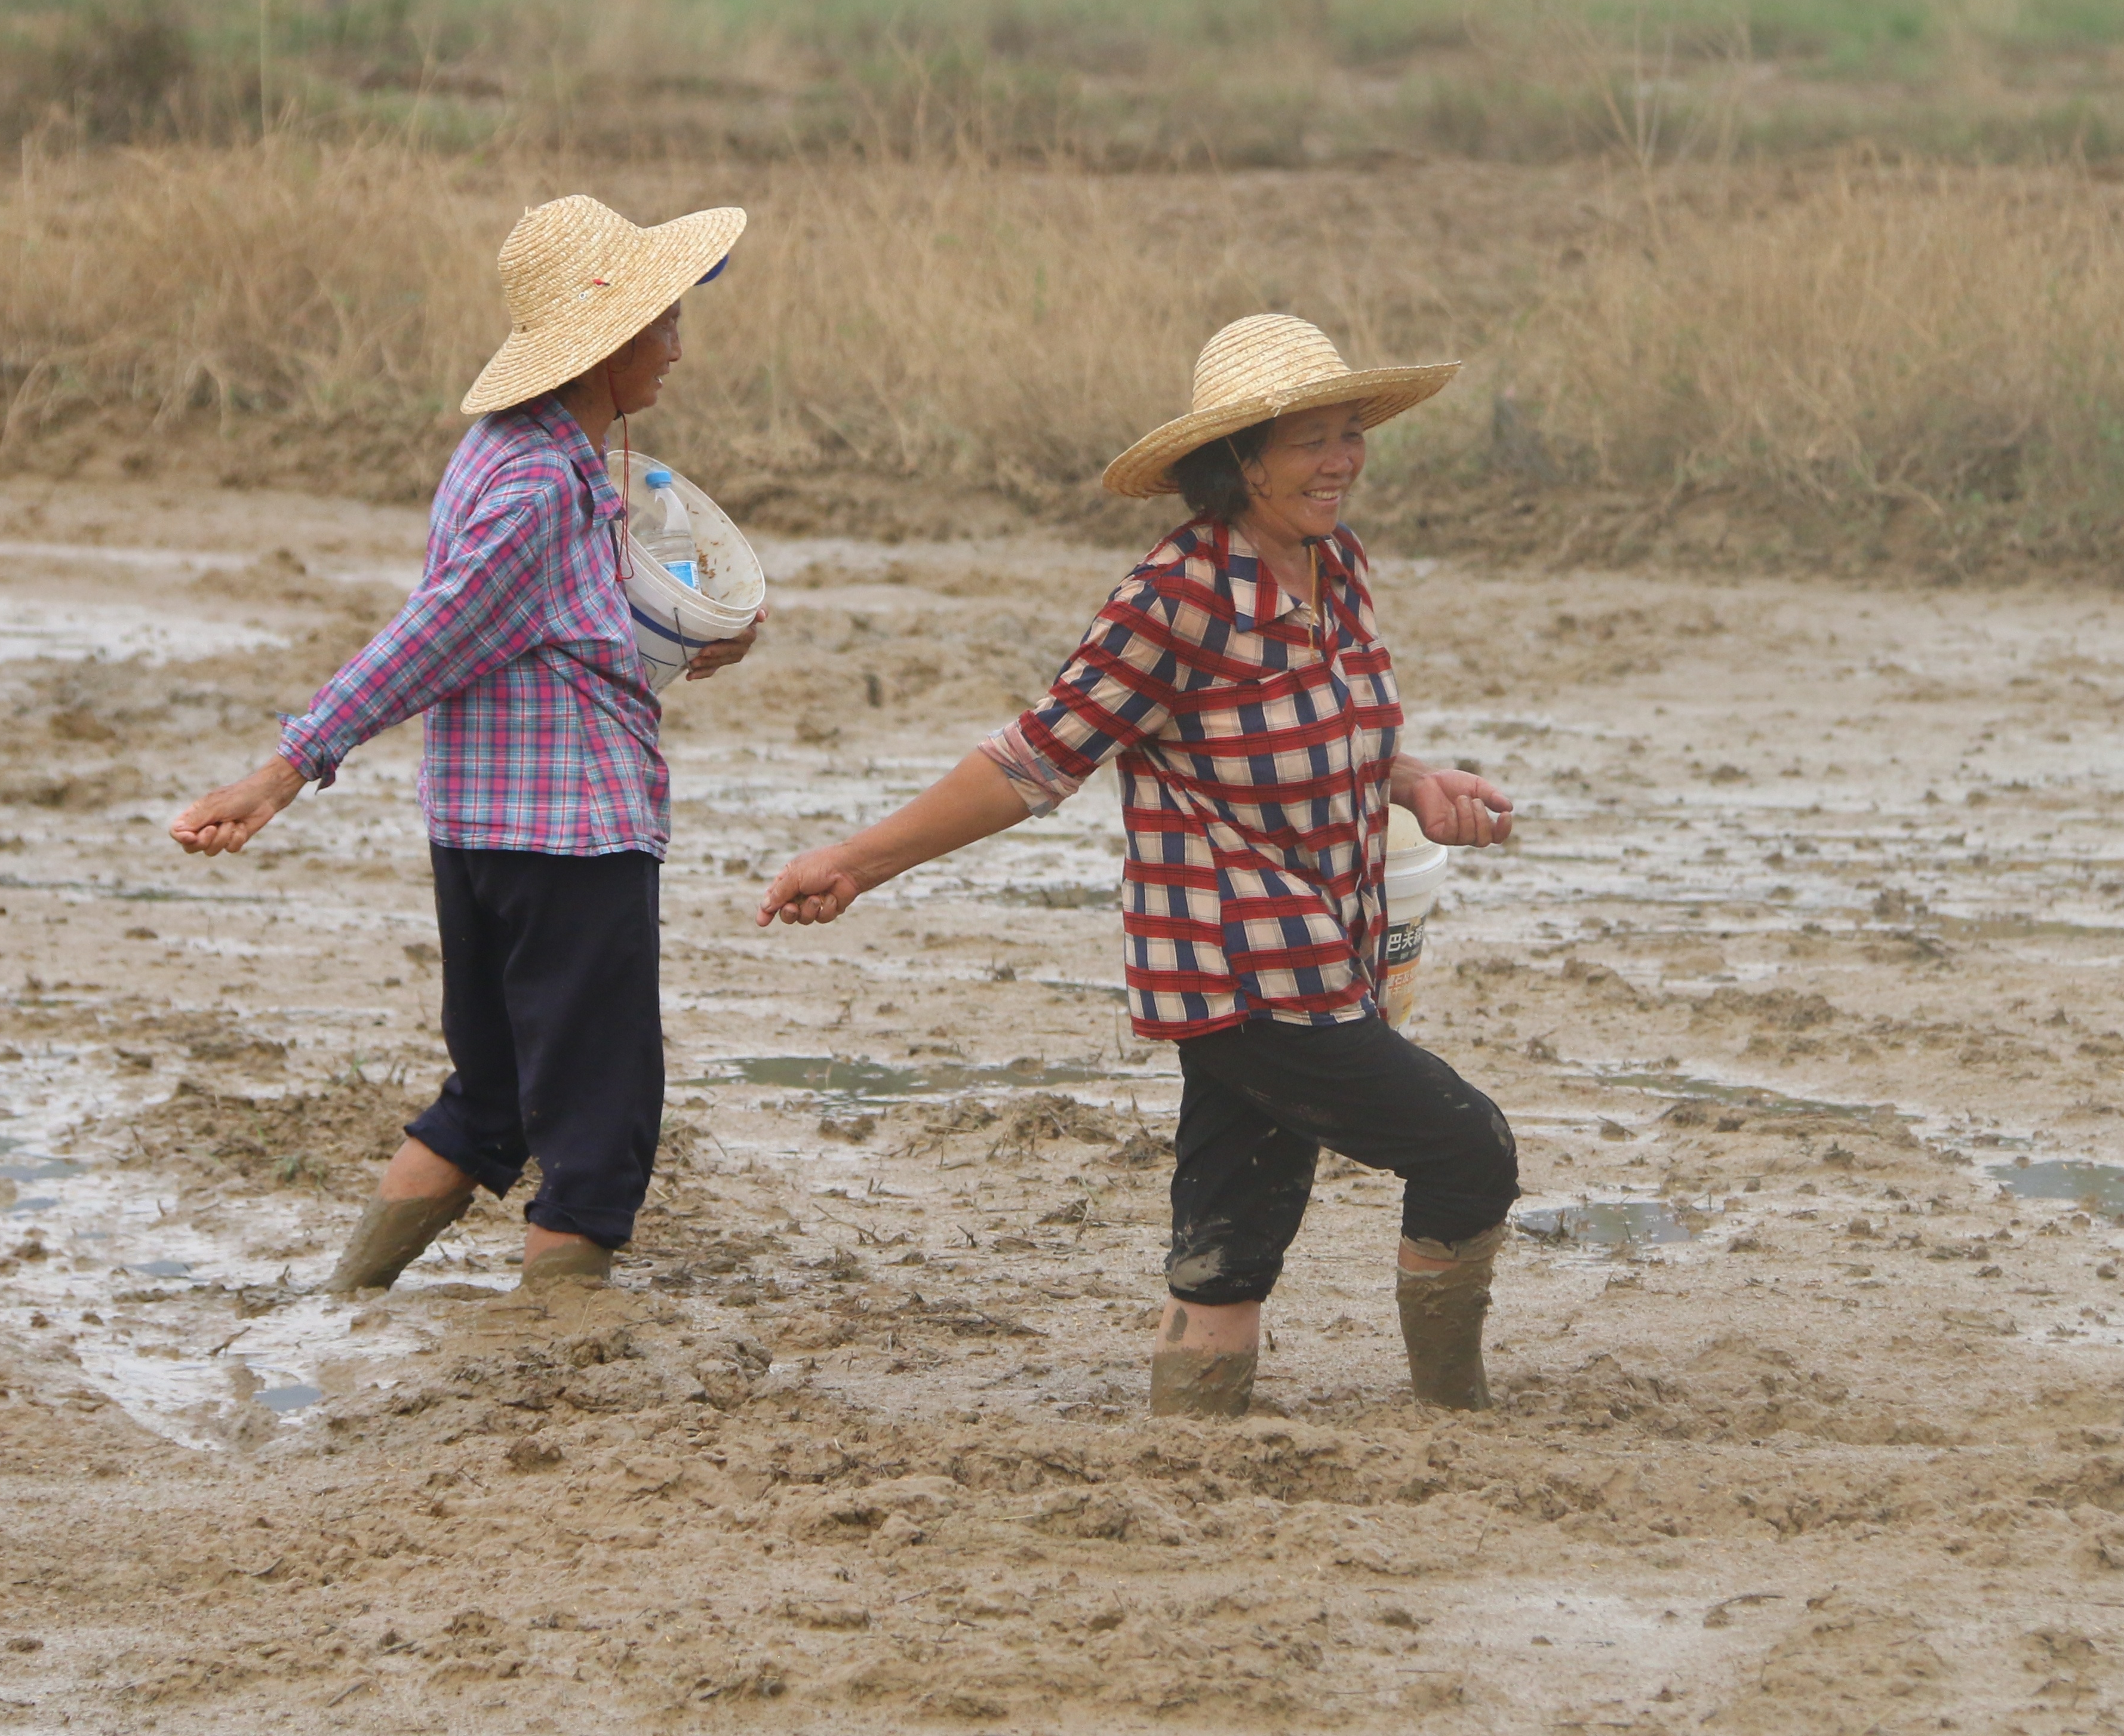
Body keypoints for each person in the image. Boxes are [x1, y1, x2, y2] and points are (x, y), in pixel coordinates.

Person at [759, 314, 1520, 1414]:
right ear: (1238, 460)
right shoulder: (1173, 598)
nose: (1342, 461)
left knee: (1233, 1242)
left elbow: (1321, 725)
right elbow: (1033, 761)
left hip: (1321, 942)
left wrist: (1410, 781)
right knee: (1467, 1152)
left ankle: (1190, 1443)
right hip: (1245, 965)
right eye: (1311, 442)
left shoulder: (1333, 564)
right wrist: (859, 862)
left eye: (1352, 434)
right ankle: (1457, 1417)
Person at [166, 196, 760, 1297]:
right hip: (569, 841)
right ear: (602, 350)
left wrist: (692, 642)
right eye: (663, 325)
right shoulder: (541, 486)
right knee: (597, 1125)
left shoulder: (512, 451)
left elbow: (540, 626)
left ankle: (344, 1302)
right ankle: (557, 1365)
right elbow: (433, 635)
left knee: (488, 1096)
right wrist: (289, 766)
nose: (678, 346)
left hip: (483, 835)